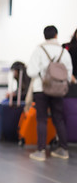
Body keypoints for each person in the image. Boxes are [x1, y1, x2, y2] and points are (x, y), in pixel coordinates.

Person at [26, 25, 72, 161]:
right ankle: (63, 149)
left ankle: (40, 151)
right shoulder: (64, 52)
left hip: (41, 89)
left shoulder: (39, 50)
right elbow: (68, 74)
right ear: (56, 35)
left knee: (41, 119)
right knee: (58, 118)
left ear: (44, 36)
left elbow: (31, 72)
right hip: (58, 90)